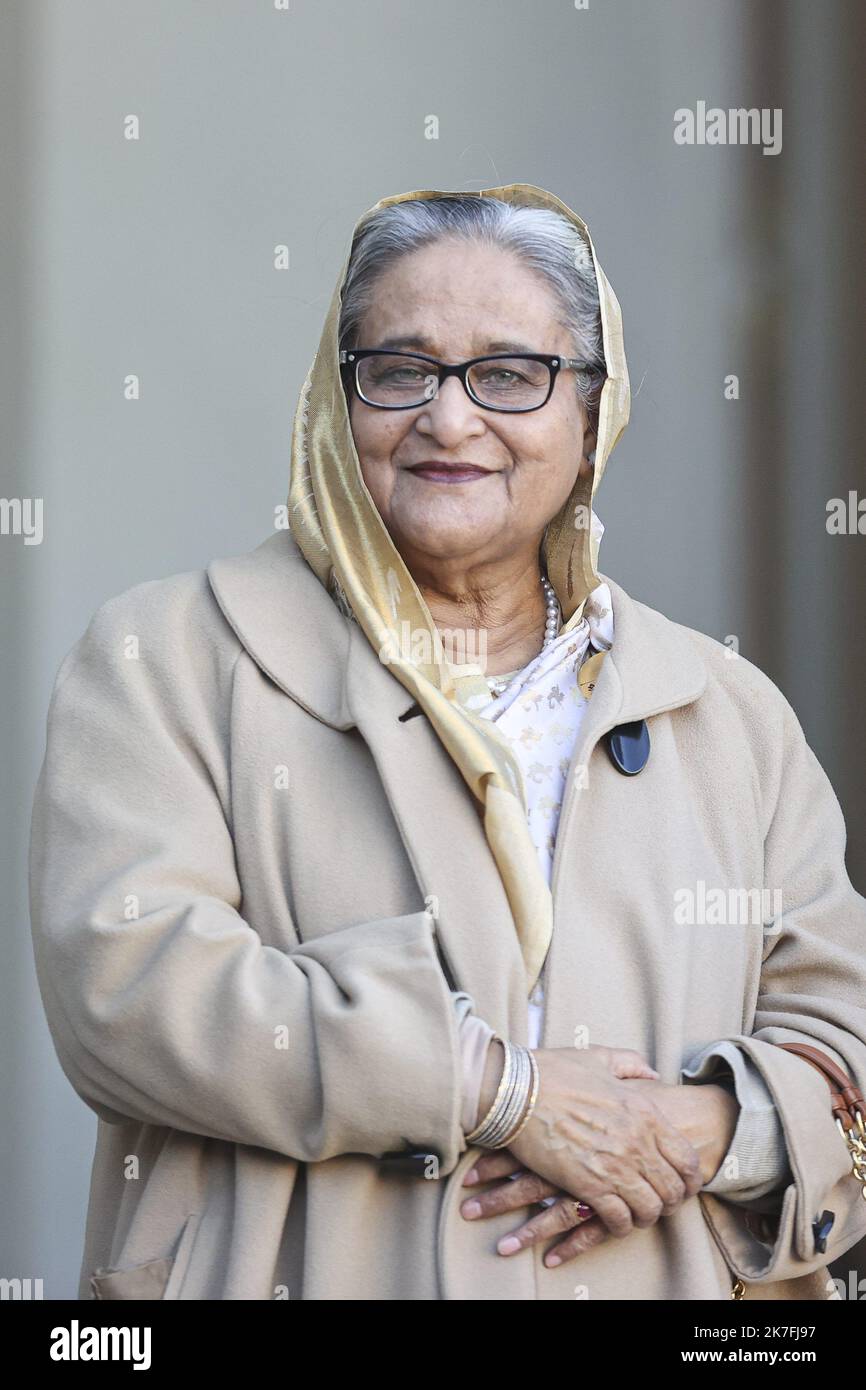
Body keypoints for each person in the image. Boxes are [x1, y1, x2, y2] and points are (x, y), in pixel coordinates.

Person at [29, 183, 866, 1301]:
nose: (448, 418)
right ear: (337, 404)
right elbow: (131, 993)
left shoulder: (724, 711)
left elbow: (843, 1038)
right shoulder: (169, 658)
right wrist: (501, 1092)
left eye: (509, 373)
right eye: (399, 370)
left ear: (591, 412)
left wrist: (706, 1125)